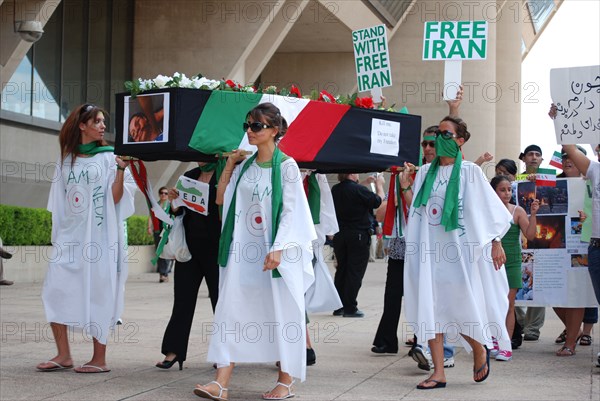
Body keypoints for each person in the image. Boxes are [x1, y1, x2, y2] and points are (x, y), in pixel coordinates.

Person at [194, 103, 316, 400]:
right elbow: (222, 199)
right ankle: (221, 383)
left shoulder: (286, 167)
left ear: (275, 131)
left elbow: (293, 211)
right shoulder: (246, 166)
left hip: (275, 255)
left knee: (281, 313)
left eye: (256, 126)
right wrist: (230, 165)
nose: (249, 130)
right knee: (231, 310)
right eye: (247, 125)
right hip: (241, 255)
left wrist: (278, 248)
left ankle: (285, 381)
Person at [404, 116, 512, 389]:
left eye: (446, 135)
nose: (439, 140)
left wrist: (495, 241)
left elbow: (489, 211)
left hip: (459, 255)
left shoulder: (469, 172)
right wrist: (406, 185)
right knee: (431, 310)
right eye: (436, 134)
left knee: (460, 308)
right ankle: (438, 372)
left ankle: (479, 349)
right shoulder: (425, 173)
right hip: (429, 254)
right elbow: (419, 212)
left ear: (460, 141)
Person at [36, 104, 136, 373]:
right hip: (70, 237)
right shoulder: (67, 158)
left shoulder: (108, 157)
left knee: (99, 293)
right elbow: (59, 201)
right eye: (98, 121)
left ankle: (99, 359)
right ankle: (63, 355)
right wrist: (58, 235)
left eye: (104, 121)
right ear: (82, 125)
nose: (103, 126)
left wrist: (121, 170)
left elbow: (116, 198)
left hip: (100, 238)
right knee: (54, 290)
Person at [155, 162, 221, 371]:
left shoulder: (226, 173)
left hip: (217, 249)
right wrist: (174, 201)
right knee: (182, 299)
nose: (200, 159)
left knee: (221, 302)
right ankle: (174, 350)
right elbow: (177, 212)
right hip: (189, 250)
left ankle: (224, 354)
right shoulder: (189, 175)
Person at [490, 175, 539, 361]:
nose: (507, 193)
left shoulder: (517, 211)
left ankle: (506, 345)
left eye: (509, 189)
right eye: (502, 190)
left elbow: (531, 235)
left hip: (512, 262)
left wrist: (533, 214)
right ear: (494, 191)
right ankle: (494, 339)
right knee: (493, 303)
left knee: (509, 304)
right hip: (492, 262)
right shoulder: (487, 210)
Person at [331, 172, 384, 318]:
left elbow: (351, 192)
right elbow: (378, 201)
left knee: (342, 270)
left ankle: (338, 305)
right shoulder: (359, 190)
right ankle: (350, 307)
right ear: (353, 174)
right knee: (355, 272)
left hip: (340, 234)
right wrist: (379, 185)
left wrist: (364, 183)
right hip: (358, 234)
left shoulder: (336, 189)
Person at [515, 144, 546, 342]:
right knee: (518, 284)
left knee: (538, 284)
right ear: (524, 158)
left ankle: (533, 328)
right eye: (530, 154)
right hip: (518, 237)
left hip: (542, 236)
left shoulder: (551, 179)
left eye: (537, 155)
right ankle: (520, 323)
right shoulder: (515, 182)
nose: (534, 158)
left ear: (541, 160)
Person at [148, 186, 174, 283]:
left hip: (167, 231)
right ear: (159, 194)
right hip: (158, 231)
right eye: (162, 193)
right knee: (159, 252)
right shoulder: (156, 206)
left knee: (167, 252)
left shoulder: (171, 205)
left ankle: (165, 273)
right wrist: (149, 227)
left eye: (166, 193)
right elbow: (151, 217)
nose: (163, 195)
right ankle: (163, 274)